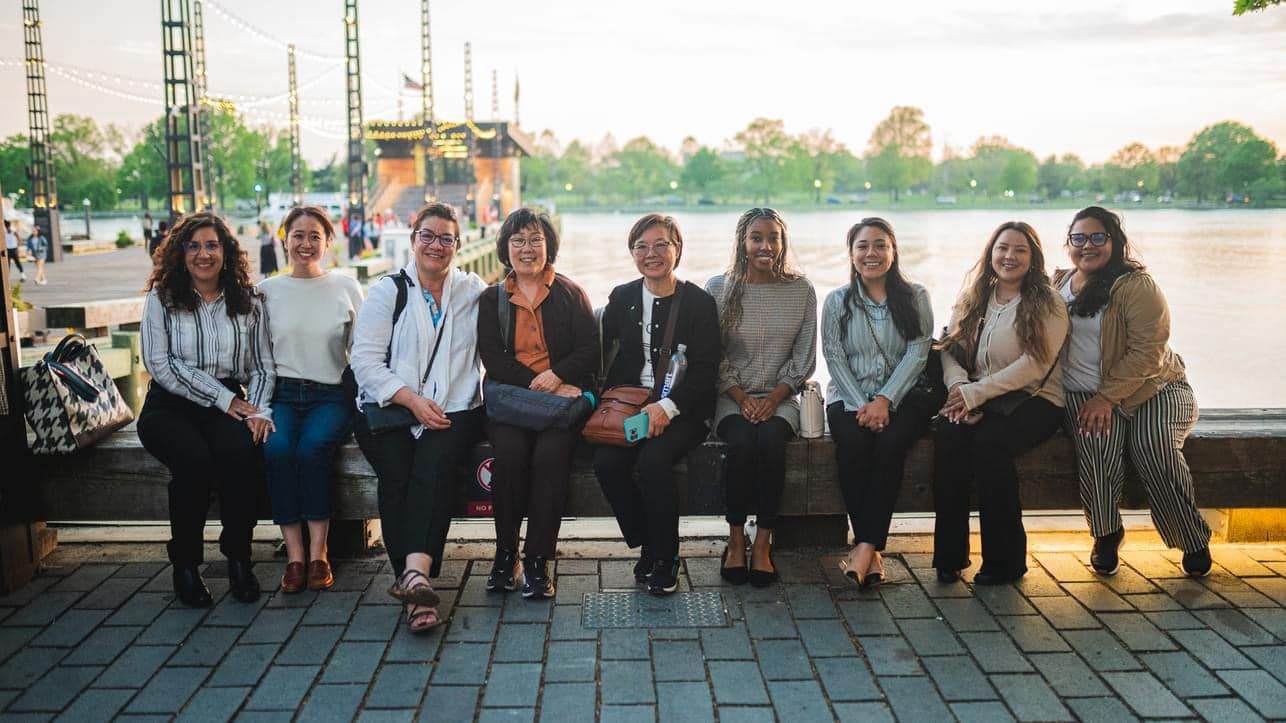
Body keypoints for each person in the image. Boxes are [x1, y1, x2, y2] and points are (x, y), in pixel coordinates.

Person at [351, 202, 487, 633]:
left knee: (434, 468)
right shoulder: (387, 291)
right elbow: (366, 362)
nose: (436, 245)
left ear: (458, 245)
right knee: (398, 475)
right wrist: (410, 400)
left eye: (446, 238)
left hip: (454, 407)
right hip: (389, 407)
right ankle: (417, 582)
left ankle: (413, 578)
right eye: (427, 235)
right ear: (412, 241)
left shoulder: (472, 291)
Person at [1055, 206, 1211, 577]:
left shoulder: (1135, 286)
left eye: (1098, 237)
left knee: (1152, 444)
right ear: (1069, 243)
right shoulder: (1058, 284)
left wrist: (1107, 398)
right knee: (1096, 444)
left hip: (1155, 387)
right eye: (1079, 238)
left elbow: (1149, 351)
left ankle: (1191, 539)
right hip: (1084, 393)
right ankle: (1107, 535)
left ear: (1115, 242)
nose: (1087, 245)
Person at [137, 212, 275, 607]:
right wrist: (222, 397)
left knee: (240, 456)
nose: (203, 254)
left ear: (225, 251)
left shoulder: (249, 301)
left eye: (212, 245)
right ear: (181, 253)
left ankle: (239, 559)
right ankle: (185, 566)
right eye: (194, 245)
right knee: (193, 462)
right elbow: (160, 364)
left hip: (231, 404)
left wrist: (260, 411)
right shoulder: (161, 298)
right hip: (170, 404)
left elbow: (263, 365)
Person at [933, 221, 1069, 585]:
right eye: (1002, 248)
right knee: (947, 436)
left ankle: (1006, 562)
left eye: (1019, 250)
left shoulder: (1047, 302)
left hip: (1035, 398)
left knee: (990, 446)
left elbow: (1036, 364)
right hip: (976, 393)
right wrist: (960, 386)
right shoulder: (974, 297)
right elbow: (948, 349)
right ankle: (949, 556)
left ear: (1033, 257)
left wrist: (974, 395)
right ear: (991, 253)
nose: (1009, 256)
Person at [593, 214, 721, 595]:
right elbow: (602, 350)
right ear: (632, 253)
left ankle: (665, 557)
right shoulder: (623, 297)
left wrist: (667, 408)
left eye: (661, 244)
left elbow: (706, 370)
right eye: (642, 246)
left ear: (677, 250)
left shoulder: (698, 302)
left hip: (685, 408)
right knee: (606, 463)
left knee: (652, 461)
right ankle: (648, 542)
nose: (652, 254)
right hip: (631, 405)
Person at [477, 207, 599, 599]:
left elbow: (588, 350)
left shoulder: (570, 293)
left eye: (535, 240)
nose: (526, 249)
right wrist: (535, 382)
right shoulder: (490, 299)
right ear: (505, 248)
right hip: (513, 403)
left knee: (551, 459)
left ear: (549, 245)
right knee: (509, 457)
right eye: (518, 241)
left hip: (559, 405)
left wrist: (558, 376)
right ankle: (505, 554)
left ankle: (538, 560)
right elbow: (493, 359)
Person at [705, 208, 816, 587]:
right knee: (740, 444)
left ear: (783, 243)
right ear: (743, 242)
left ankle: (764, 541)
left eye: (773, 238)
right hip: (730, 397)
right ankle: (736, 538)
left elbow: (803, 358)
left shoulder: (801, 290)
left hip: (781, 398)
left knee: (770, 443)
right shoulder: (719, 287)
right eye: (756, 238)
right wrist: (741, 396)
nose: (765, 246)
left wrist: (775, 398)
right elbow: (712, 354)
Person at [822, 217, 935, 588]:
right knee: (852, 445)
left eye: (880, 245)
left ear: (893, 250)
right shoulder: (838, 300)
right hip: (848, 396)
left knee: (890, 446)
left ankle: (866, 546)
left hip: (904, 397)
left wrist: (885, 399)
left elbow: (919, 352)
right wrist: (863, 405)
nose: (871, 253)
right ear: (851, 253)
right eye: (862, 246)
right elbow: (834, 358)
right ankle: (871, 550)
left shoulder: (915, 295)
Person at [259, 206, 364, 594]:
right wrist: (257, 406)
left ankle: (320, 554)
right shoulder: (267, 292)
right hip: (282, 392)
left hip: (330, 393)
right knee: (279, 449)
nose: (306, 243)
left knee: (314, 448)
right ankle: (295, 555)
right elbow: (258, 356)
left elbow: (363, 351)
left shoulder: (346, 287)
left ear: (328, 242)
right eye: (298, 235)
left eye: (314, 236)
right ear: (284, 239)